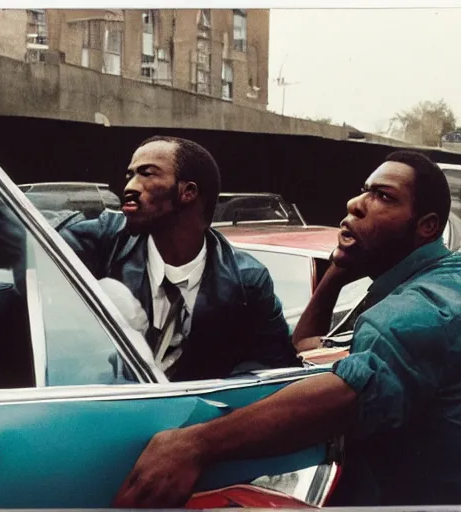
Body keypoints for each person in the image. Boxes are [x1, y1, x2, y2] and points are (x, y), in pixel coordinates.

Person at [111, 150, 461, 507]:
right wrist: (336, 274)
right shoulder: (436, 281)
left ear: (427, 226)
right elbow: (307, 349)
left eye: (383, 196)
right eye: (364, 190)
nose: (356, 203)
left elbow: (350, 392)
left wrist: (197, 444)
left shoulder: (425, 304)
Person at [0, 136, 300, 381]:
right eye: (130, 174)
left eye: (147, 174)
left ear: (188, 192)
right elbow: (13, 232)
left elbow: (272, 371)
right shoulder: (109, 237)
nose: (129, 185)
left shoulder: (247, 281)